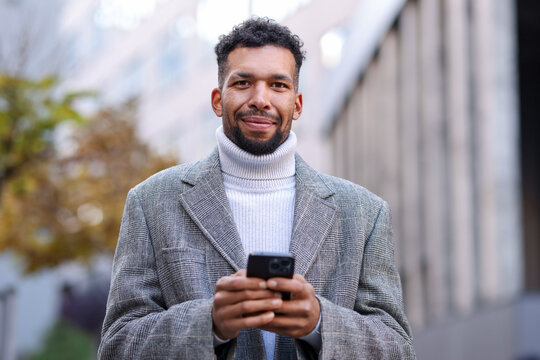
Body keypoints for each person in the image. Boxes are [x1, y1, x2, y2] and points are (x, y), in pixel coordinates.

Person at [98, 17, 416, 360]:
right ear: (218, 100)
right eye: (243, 82)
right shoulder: (151, 202)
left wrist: (320, 323)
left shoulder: (364, 213)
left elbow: (397, 348)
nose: (260, 99)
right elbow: (117, 345)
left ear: (297, 104)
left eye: (278, 85)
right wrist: (210, 323)